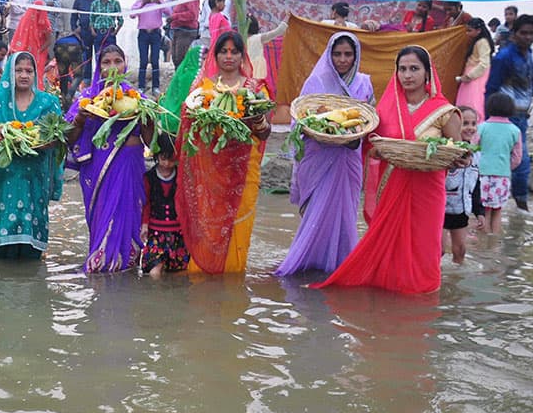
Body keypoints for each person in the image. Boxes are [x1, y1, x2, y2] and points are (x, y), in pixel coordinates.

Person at [311, 46, 465, 294]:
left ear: (428, 73)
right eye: (402, 69)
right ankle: (389, 292)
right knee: (390, 244)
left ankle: (422, 299)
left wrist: (459, 159)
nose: (407, 75)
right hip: (393, 184)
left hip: (428, 191)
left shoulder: (444, 111)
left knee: (425, 245)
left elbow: (458, 151)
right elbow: (371, 147)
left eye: (414, 69)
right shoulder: (384, 110)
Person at [276, 32, 374, 277]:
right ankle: (307, 262)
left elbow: (370, 118)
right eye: (337, 54)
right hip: (319, 157)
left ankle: (342, 265)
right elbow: (300, 120)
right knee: (318, 210)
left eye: (348, 54)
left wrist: (353, 134)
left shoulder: (364, 83)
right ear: (329, 55)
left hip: (349, 157)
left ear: (356, 56)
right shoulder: (316, 83)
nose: (342, 59)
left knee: (345, 211)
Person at [175, 31, 271, 275]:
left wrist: (258, 122)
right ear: (215, 55)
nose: (229, 56)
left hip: (243, 168)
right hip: (209, 171)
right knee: (208, 225)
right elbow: (187, 128)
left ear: (242, 56)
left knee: (239, 227)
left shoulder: (255, 90)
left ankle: (233, 282)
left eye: (234, 51)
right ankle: (202, 283)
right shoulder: (202, 90)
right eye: (223, 51)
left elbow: (265, 133)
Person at [65, 45, 152, 273]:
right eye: (106, 62)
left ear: (125, 65)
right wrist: (81, 120)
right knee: (104, 219)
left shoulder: (136, 98)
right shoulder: (88, 99)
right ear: (99, 67)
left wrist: (149, 118)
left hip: (130, 167)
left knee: (130, 219)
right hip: (99, 170)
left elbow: (151, 142)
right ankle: (101, 266)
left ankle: (128, 268)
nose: (112, 67)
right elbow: (68, 139)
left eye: (117, 61)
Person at [0, 51, 64, 259]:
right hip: (4, 179)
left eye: (29, 71)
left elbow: (59, 135)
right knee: (4, 247)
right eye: (18, 70)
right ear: (9, 73)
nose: (24, 75)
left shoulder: (48, 103)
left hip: (35, 177)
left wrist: (45, 143)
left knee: (32, 240)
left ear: (35, 74)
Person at [485, 14, 533, 210]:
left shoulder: (529, 56)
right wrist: (488, 118)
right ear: (514, 34)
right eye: (523, 33)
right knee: (520, 164)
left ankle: (507, 207)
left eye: (531, 33)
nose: (528, 37)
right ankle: (520, 209)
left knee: (511, 163)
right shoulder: (504, 57)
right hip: (505, 116)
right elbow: (491, 87)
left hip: (522, 115)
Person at [140, 133, 189, 277]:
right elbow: (146, 203)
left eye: (171, 160)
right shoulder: (149, 178)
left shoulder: (182, 177)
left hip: (177, 233)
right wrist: (144, 225)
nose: (167, 163)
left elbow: (186, 204)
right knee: (154, 272)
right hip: (156, 232)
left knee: (179, 273)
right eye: (163, 158)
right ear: (157, 155)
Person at [474, 93, 523, 234]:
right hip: (502, 176)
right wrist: (507, 167)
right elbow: (517, 157)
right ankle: (493, 244)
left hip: (482, 175)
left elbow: (472, 147)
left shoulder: (482, 127)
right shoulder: (515, 130)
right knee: (497, 210)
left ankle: (483, 247)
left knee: (484, 211)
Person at [443, 106, 483, 263]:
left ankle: (455, 280)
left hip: (462, 209)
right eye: (465, 123)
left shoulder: (476, 153)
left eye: (473, 124)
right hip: (442, 208)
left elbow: (476, 184)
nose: (470, 128)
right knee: (438, 250)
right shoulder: (446, 150)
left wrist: (479, 211)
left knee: (460, 251)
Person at [129, 0, 169, 95]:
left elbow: (169, 12)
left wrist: (157, 2)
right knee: (143, 60)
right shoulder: (139, 3)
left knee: (155, 60)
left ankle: (155, 87)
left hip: (156, 33)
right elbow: (132, 15)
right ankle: (141, 86)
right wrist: (143, 4)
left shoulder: (159, 1)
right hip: (143, 34)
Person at [455, 17, 494, 119]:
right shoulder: (478, 41)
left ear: (478, 30)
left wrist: (469, 76)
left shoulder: (482, 42)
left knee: (473, 103)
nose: (467, 33)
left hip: (476, 78)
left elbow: (484, 64)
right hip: (473, 76)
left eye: (469, 31)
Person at [71, 0, 99, 84]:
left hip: (97, 32)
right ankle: (86, 81)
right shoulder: (79, 1)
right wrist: (74, 30)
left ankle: (98, 79)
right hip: (84, 33)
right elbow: (73, 17)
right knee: (86, 58)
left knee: (99, 56)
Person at [89, 0, 123, 66]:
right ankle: (100, 77)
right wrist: (93, 31)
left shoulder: (115, 3)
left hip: (110, 33)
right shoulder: (95, 4)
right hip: (98, 33)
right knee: (99, 57)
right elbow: (91, 19)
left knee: (112, 56)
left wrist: (115, 32)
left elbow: (120, 20)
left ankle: (112, 77)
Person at [170, 0, 200, 68]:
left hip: (186, 31)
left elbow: (192, 15)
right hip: (178, 29)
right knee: (175, 58)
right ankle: (178, 80)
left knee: (180, 59)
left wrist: (174, 16)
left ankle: (183, 81)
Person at [245, 14, 288, 81]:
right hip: (255, 76)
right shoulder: (258, 38)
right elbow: (279, 31)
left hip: (248, 74)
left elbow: (279, 31)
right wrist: (286, 18)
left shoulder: (241, 39)